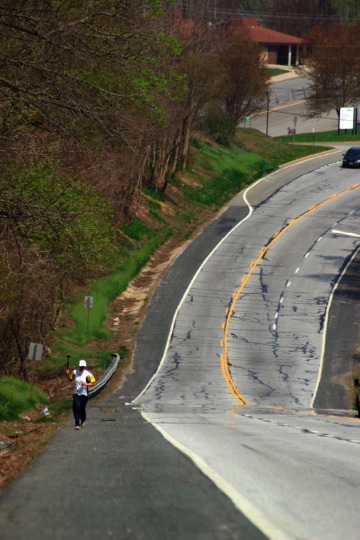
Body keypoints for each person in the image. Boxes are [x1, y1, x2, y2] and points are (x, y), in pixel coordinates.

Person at [66, 359, 96, 430]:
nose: (82, 367)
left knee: (82, 408)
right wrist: (68, 373)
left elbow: (92, 383)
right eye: (81, 366)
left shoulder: (88, 374)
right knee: (77, 408)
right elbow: (70, 379)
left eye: (83, 366)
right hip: (76, 393)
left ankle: (83, 419)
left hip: (84, 394)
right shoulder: (75, 372)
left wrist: (85, 384)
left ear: (85, 366)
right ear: (79, 366)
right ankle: (77, 423)